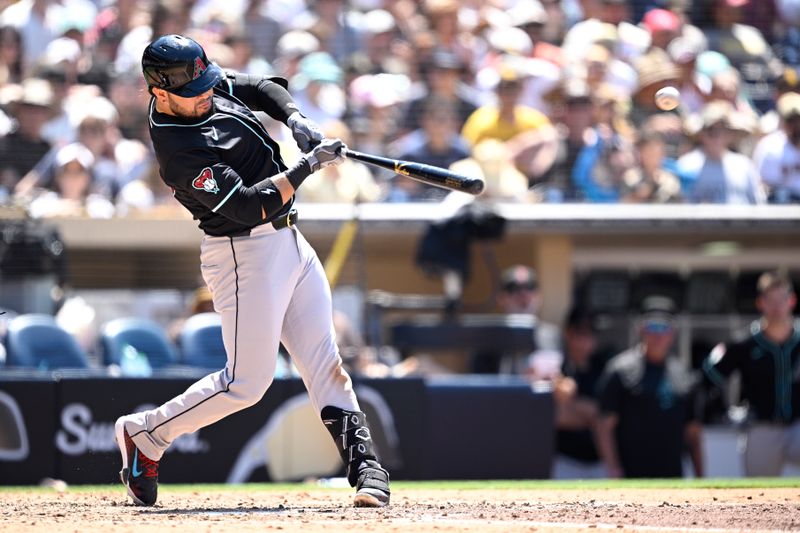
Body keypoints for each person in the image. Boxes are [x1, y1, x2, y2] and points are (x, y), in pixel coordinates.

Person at [114, 34, 390, 509]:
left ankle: (366, 468)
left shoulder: (201, 85)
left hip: (290, 242)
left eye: (206, 82)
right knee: (247, 383)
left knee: (325, 362)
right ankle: (146, 433)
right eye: (193, 89)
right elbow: (247, 207)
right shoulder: (179, 149)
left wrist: (298, 121)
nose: (207, 92)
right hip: (242, 254)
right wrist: (307, 166)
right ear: (158, 91)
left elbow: (262, 89)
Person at [702, 271, 800, 476]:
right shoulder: (744, 343)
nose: (776, 307)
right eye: (769, 300)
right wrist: (725, 412)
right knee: (761, 494)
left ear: (791, 301)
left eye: (781, 299)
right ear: (760, 303)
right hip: (761, 428)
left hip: (797, 427)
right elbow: (710, 376)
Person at [595, 296, 704, 478]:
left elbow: (693, 433)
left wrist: (700, 476)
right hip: (629, 478)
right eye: (652, 326)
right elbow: (604, 426)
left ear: (673, 332)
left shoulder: (684, 376)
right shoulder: (620, 370)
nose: (658, 334)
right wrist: (613, 469)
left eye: (664, 327)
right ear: (641, 329)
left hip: (673, 477)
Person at [551, 307, 610, 479]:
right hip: (564, 460)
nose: (586, 341)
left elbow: (602, 416)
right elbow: (555, 417)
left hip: (599, 461)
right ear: (568, 333)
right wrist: (588, 415)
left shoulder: (604, 369)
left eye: (590, 334)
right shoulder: (557, 366)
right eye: (580, 334)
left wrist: (573, 406)